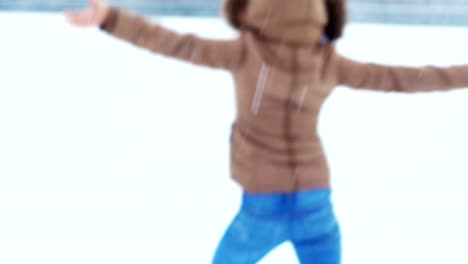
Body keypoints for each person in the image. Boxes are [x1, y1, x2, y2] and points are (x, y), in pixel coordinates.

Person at [65, 0, 468, 263]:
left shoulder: (245, 53)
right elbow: (404, 79)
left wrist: (110, 19)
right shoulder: (325, 61)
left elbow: (176, 43)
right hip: (316, 202)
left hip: (261, 207)